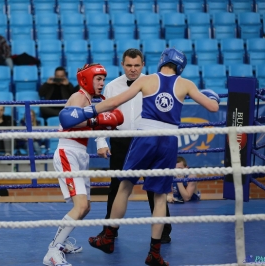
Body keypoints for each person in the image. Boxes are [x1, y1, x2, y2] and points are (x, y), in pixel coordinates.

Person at [59, 48, 220, 266]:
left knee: (124, 186)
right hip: (168, 140)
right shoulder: (187, 84)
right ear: (180, 66)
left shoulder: (148, 81)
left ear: (159, 61)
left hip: (144, 138)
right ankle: (154, 253)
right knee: (160, 196)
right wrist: (213, 97)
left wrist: (88, 112)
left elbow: (113, 103)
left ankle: (108, 237)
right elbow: (212, 106)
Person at [43, 63, 124, 266]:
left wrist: (100, 132)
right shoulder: (79, 97)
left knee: (85, 207)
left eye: (103, 79)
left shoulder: (89, 99)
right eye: (98, 79)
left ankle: (60, 243)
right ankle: (52, 252)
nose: (102, 83)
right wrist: (99, 120)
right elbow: (69, 121)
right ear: (87, 79)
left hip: (79, 153)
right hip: (68, 152)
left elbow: (89, 121)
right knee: (79, 207)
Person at [94, 48, 172, 243]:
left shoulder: (154, 84)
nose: (133, 69)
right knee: (116, 186)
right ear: (122, 65)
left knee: (155, 186)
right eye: (129, 65)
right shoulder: (112, 86)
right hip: (121, 140)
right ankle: (109, 231)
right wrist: (101, 141)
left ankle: (163, 231)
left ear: (143, 65)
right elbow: (104, 117)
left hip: (148, 138)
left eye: (136, 65)